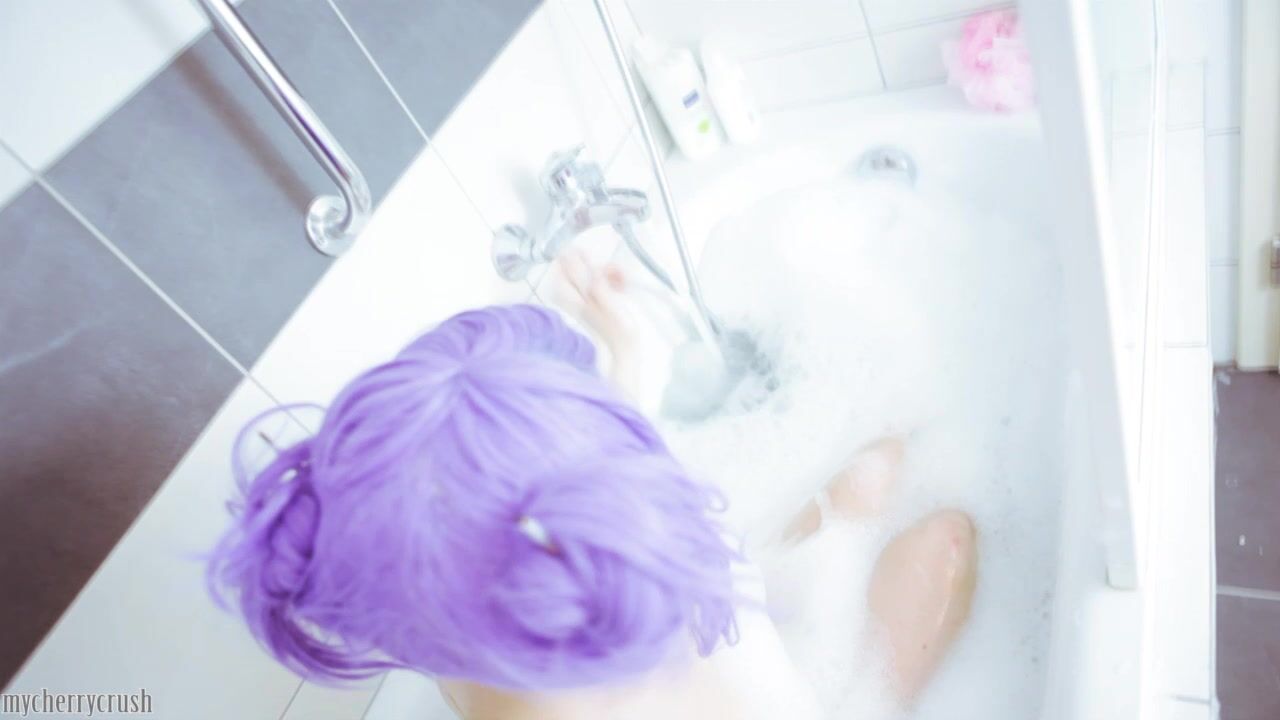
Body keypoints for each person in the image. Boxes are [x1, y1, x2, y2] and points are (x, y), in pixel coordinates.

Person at [208, 273, 976, 719]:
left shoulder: (472, 612)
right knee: (940, 537)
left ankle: (843, 539)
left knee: (873, 484)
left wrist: (628, 353)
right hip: (790, 693)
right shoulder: (623, 566)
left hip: (753, 647)